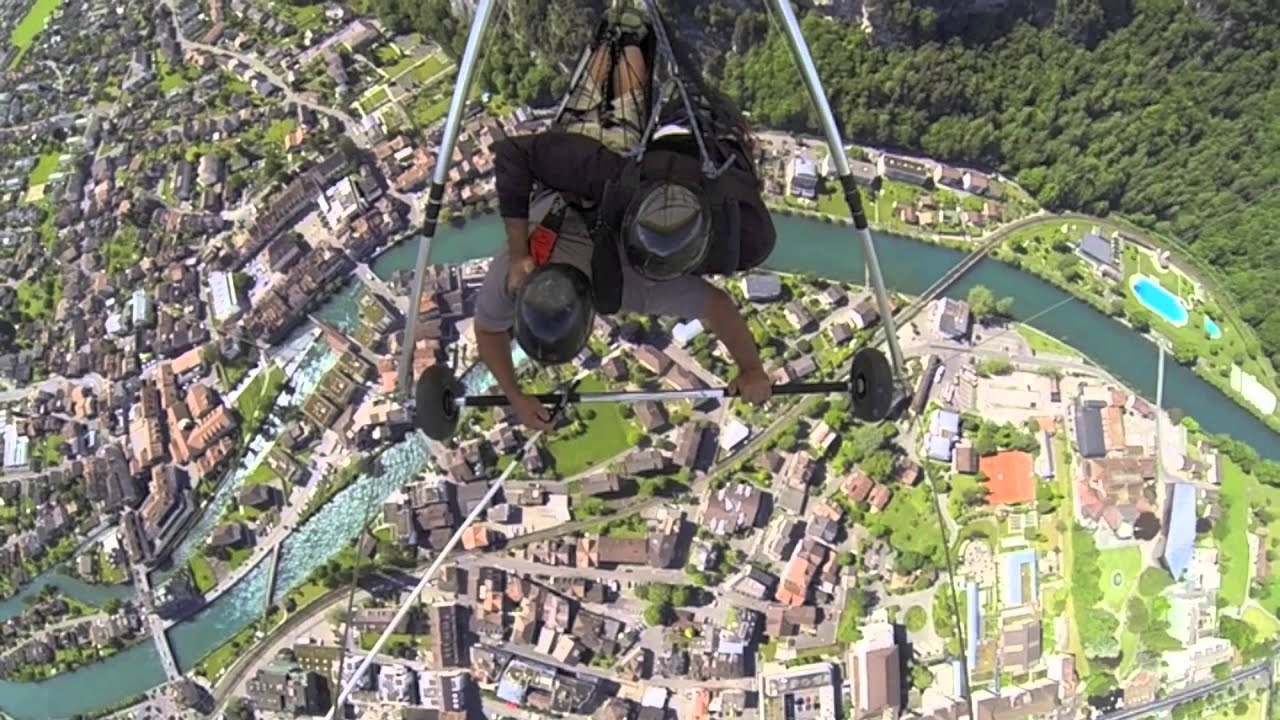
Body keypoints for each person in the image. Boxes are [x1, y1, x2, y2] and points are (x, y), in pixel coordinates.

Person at [474, 9, 777, 431]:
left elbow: (717, 307)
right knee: (620, 77)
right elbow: (489, 330)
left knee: (619, 92)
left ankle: (628, 25)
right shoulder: (529, 275)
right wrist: (515, 396)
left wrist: (752, 369)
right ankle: (629, 25)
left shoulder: (622, 282)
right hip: (580, 166)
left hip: (594, 167)